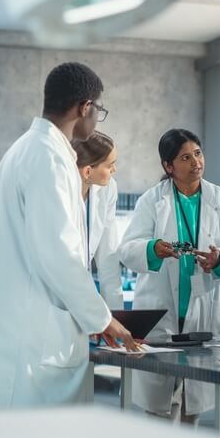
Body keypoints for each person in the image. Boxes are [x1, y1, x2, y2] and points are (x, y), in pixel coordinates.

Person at [0, 62, 138, 409]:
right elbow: (58, 254)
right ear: (84, 108)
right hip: (29, 338)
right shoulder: (49, 158)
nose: (96, 118)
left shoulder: (25, 149)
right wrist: (102, 318)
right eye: (98, 110)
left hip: (14, 329)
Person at [118, 129, 220, 423]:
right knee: (159, 410)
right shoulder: (152, 201)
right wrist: (153, 248)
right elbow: (127, 250)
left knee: (194, 405)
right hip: (162, 314)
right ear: (169, 166)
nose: (196, 162)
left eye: (198, 153)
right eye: (185, 157)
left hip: (203, 311)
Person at [71, 130, 123, 310]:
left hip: (80, 292)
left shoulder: (108, 189)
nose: (114, 170)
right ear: (87, 171)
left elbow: (109, 258)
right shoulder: (58, 193)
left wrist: (115, 316)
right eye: (110, 165)